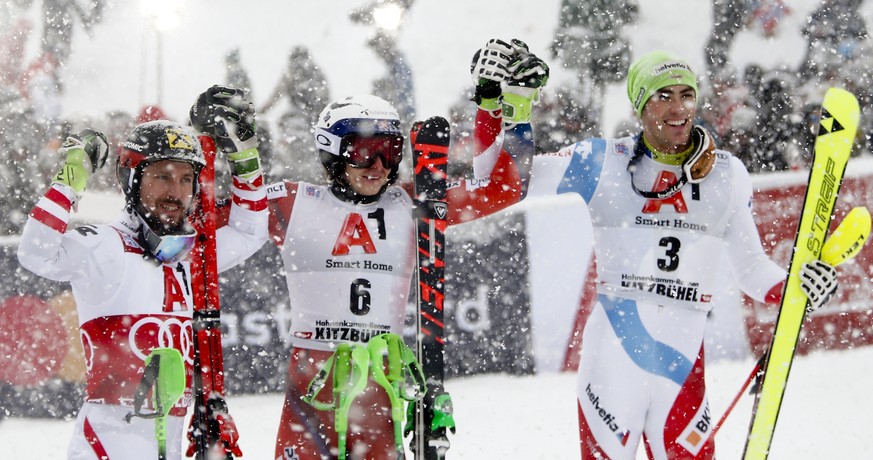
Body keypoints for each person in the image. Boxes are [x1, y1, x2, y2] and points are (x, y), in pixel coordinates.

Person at [473, 50, 840, 459]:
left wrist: (797, 287)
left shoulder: (727, 174)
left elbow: (751, 268)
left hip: (682, 359)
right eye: (663, 96)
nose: (678, 107)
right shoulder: (601, 160)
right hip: (615, 351)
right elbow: (502, 183)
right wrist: (505, 109)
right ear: (639, 104)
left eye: (686, 94)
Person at [248, 39, 545, 459]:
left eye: (389, 152)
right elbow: (201, 222)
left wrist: (502, 105)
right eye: (364, 151)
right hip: (313, 382)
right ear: (331, 152)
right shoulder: (293, 202)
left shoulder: (414, 202)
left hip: (380, 380)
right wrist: (223, 149)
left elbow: (505, 187)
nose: (378, 166)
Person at [17, 94, 268, 458]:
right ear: (132, 179)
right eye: (162, 176)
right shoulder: (104, 245)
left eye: (186, 179)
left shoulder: (193, 255)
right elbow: (35, 252)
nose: (176, 192)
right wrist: (71, 177)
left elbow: (250, 231)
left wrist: (246, 161)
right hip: (105, 447)